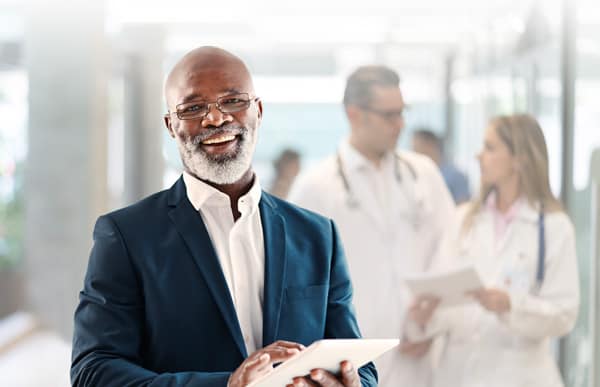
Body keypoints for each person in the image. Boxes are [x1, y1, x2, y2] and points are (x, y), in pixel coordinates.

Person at [71, 46, 377, 387]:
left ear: (258, 111)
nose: (215, 119)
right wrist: (228, 385)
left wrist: (350, 383)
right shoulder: (127, 236)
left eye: (233, 101)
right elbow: (93, 371)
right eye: (193, 107)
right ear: (171, 125)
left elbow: (358, 366)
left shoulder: (318, 235)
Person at [289, 65, 455, 387]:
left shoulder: (423, 175)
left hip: (419, 350)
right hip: (352, 356)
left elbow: (448, 248)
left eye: (402, 113)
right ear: (355, 114)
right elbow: (298, 281)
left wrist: (435, 319)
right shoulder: (315, 187)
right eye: (389, 115)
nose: (400, 124)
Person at [407, 114, 580, 387]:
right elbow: (442, 291)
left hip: (521, 374)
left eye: (490, 148)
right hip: (458, 373)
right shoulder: (464, 218)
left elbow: (564, 315)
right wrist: (427, 316)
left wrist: (511, 305)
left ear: (519, 158)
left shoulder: (554, 228)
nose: (479, 156)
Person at [412, 128, 471, 204]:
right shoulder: (418, 176)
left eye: (416, 147)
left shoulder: (456, 176)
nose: (413, 153)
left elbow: (464, 207)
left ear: (430, 145)